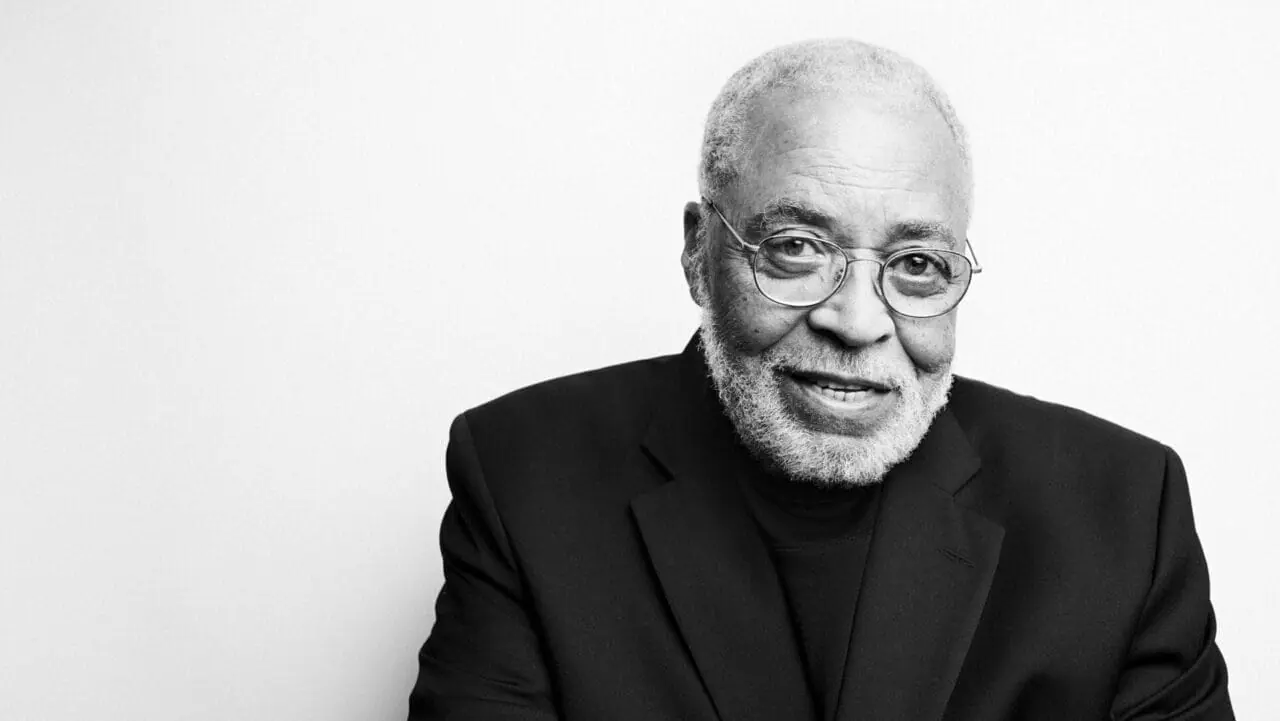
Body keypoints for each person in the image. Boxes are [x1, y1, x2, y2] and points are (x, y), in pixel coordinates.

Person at [408, 38, 1232, 721]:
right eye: (796, 247)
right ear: (701, 253)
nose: (858, 319)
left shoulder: (1124, 514)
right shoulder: (524, 477)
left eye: (915, 264)